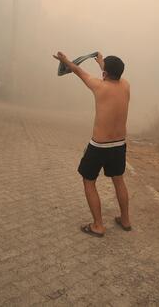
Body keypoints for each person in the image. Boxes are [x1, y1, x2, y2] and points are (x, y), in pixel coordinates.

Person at [52, 51, 131, 237]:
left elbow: (78, 71)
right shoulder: (126, 85)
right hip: (119, 144)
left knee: (89, 181)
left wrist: (65, 61)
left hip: (100, 146)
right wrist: (102, 63)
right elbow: (112, 75)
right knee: (118, 180)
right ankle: (125, 220)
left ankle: (98, 225)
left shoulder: (99, 86)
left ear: (105, 74)